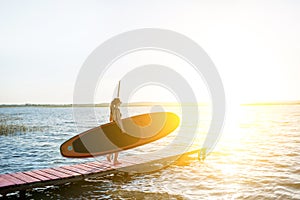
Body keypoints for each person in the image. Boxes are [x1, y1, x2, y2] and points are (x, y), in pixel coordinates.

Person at [106, 97, 124, 165]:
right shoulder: (117, 110)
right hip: (117, 128)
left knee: (114, 144)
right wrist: (122, 129)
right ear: (117, 103)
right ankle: (115, 160)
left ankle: (109, 155)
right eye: (120, 102)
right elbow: (118, 120)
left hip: (113, 128)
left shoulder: (112, 109)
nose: (120, 103)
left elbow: (111, 120)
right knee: (118, 145)